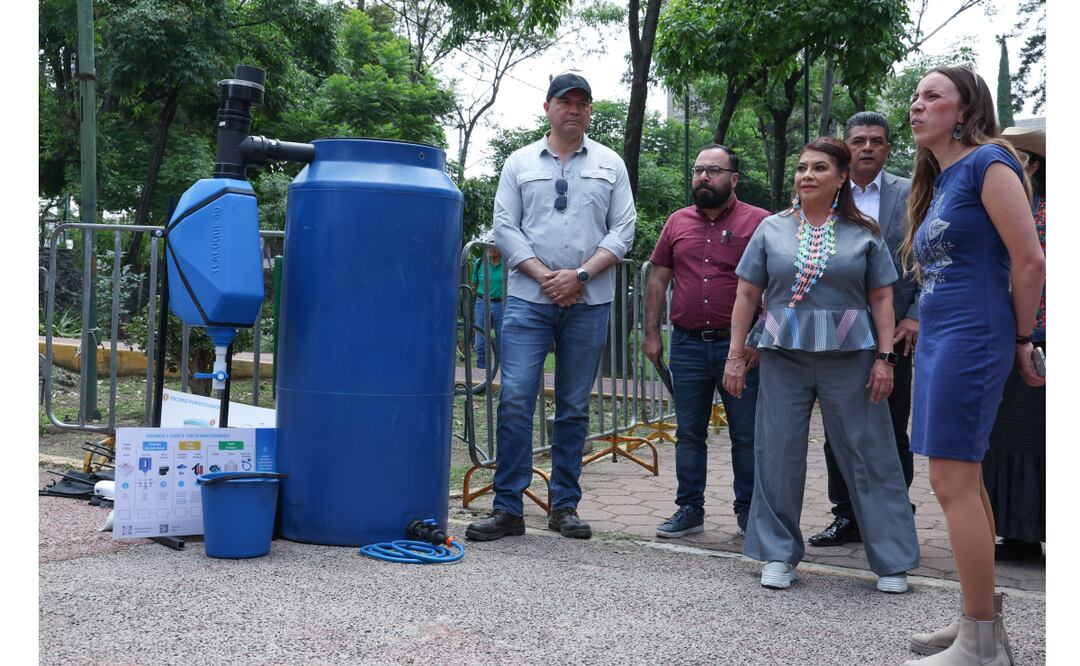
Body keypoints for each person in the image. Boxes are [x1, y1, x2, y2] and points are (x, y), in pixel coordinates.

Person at [723, 136, 919, 594]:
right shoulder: (771, 228)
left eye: (819, 168)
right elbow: (747, 296)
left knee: (870, 453)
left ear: (841, 177)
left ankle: (891, 559)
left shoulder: (864, 231)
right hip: (782, 359)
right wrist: (736, 355)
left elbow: (882, 298)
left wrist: (885, 358)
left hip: (852, 359)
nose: (807, 175)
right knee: (777, 453)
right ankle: (777, 554)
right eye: (802, 167)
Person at [901, 66, 1044, 666]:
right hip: (942, 336)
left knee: (951, 482)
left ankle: (980, 644)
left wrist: (1020, 338)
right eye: (914, 96)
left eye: (932, 96)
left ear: (964, 110)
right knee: (965, 482)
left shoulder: (991, 163)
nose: (916, 105)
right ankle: (980, 624)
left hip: (975, 337)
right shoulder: (943, 178)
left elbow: (1030, 261)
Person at [465, 72, 636, 542]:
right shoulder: (519, 163)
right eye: (566, 101)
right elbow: (505, 226)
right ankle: (508, 508)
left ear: (589, 110)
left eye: (583, 102)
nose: (574, 109)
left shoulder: (610, 163)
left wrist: (579, 276)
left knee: (574, 407)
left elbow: (623, 229)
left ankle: (564, 506)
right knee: (516, 397)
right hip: (527, 300)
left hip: (589, 299)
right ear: (548, 107)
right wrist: (546, 277)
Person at [642, 144, 769, 539]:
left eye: (713, 171)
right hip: (688, 345)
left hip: (742, 348)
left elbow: (777, 286)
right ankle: (689, 509)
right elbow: (659, 278)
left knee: (745, 434)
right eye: (698, 170)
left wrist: (759, 342)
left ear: (733, 178)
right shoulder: (677, 222)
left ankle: (749, 512)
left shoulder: (760, 222)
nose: (702, 177)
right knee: (689, 432)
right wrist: (650, 335)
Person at [809, 112, 919, 548]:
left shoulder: (912, 193)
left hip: (897, 333)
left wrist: (915, 316)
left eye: (876, 140)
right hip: (838, 330)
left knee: (891, 426)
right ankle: (847, 514)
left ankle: (895, 512)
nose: (867, 147)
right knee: (838, 428)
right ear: (846, 146)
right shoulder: (824, 191)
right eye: (859, 140)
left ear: (888, 148)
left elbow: (928, 260)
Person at [980, 125, 1046, 564]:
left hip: (1039, 337)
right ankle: (1012, 531)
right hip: (999, 336)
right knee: (1002, 436)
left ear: (1033, 165)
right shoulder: (993, 209)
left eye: (1015, 159)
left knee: (1032, 437)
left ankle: (1029, 530)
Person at [471, 232, 505, 370]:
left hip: (501, 304)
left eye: (494, 245)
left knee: (502, 341)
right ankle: (482, 375)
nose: (492, 248)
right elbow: (474, 285)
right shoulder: (480, 263)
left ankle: (504, 375)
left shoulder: (507, 263)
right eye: (489, 244)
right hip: (482, 303)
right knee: (480, 342)